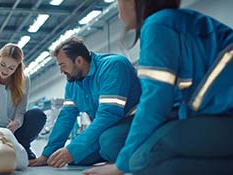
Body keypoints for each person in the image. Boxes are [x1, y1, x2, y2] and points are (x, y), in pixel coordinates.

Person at [84, 0, 233, 175]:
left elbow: (155, 102)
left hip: (223, 115)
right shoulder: (177, 22)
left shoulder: (157, 25)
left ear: (131, 2)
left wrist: (120, 166)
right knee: (114, 141)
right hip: (216, 114)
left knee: (144, 160)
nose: (118, 13)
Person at [29, 36, 141, 168]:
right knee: (74, 158)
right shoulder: (73, 84)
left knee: (109, 142)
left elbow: (108, 116)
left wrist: (72, 149)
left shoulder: (113, 67)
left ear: (79, 60)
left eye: (62, 65)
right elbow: (66, 117)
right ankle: (109, 153)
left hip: (135, 121)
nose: (61, 71)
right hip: (108, 127)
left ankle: (141, 156)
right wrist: (47, 155)